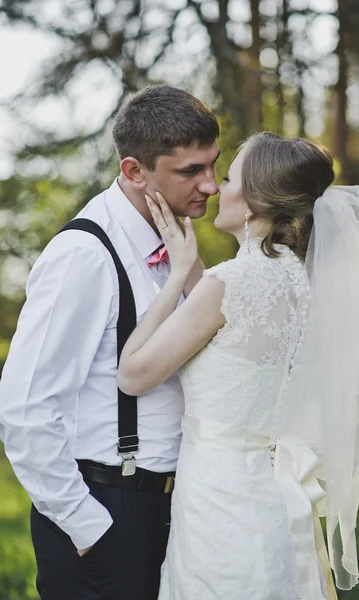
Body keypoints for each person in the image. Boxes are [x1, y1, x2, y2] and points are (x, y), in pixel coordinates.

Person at [117, 132, 359, 600]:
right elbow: (231, 333)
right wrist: (193, 269)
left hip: (219, 502)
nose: (213, 188)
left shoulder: (228, 284)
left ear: (252, 203)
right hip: (273, 494)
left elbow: (133, 375)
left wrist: (174, 279)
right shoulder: (304, 281)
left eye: (227, 178)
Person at [0, 85, 219, 600]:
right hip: (106, 510)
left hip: (173, 510)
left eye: (213, 164)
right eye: (190, 171)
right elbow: (25, 403)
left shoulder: (174, 245)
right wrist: (85, 525)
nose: (209, 185)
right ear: (134, 172)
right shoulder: (86, 255)